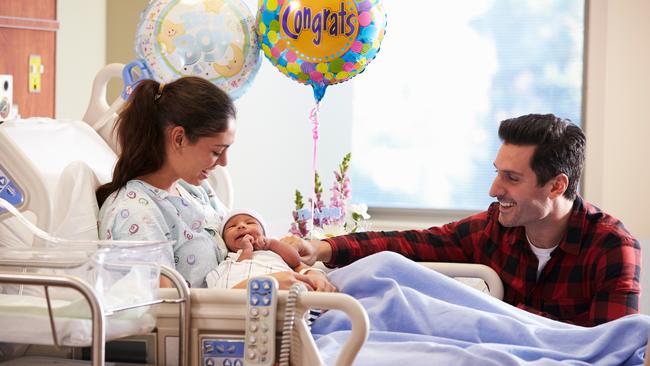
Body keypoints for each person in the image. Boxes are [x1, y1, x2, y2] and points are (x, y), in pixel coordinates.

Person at [287, 113, 641, 327]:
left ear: (556, 185)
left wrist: (500, 316)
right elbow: (413, 244)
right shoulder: (495, 229)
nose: (493, 189)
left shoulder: (611, 247)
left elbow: (612, 346)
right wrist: (321, 248)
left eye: (511, 178)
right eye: (496, 173)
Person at [96, 76, 330, 290]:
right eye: (217, 151)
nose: (225, 162)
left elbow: (243, 253)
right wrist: (257, 288)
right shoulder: (135, 212)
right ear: (178, 138)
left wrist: (305, 271)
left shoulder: (193, 190)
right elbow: (163, 309)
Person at [206, 209, 335, 291]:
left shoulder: (273, 249)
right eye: (232, 226)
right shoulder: (232, 258)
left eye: (250, 223)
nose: (241, 226)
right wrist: (247, 250)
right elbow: (240, 270)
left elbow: (295, 260)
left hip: (289, 290)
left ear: (264, 232)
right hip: (251, 295)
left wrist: (271, 243)